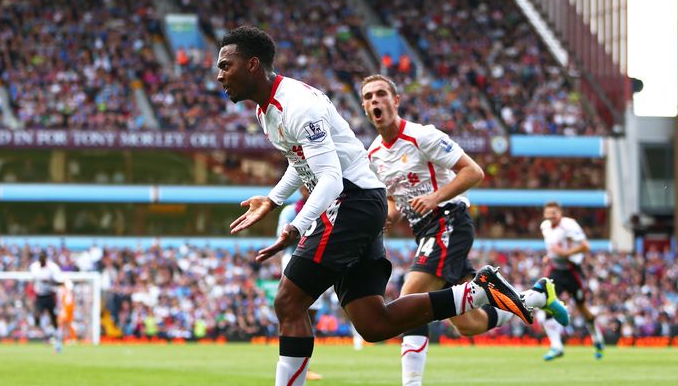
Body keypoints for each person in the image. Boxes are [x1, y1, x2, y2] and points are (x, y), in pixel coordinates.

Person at [217, 26, 532, 386]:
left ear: (253, 64)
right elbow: (300, 161)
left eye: (226, 65)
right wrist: (273, 200)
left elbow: (331, 179)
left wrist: (295, 227)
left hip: (350, 201)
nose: (220, 74)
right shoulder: (267, 111)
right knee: (373, 323)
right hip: (358, 204)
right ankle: (479, 291)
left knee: (289, 301)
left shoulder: (298, 105)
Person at [361, 74, 570, 385]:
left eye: (381, 94)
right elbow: (393, 197)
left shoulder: (423, 136)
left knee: (410, 295)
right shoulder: (374, 154)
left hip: (449, 219)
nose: (375, 100)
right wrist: (388, 215)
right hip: (424, 231)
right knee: (469, 324)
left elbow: (473, 171)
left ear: (396, 101)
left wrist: (434, 197)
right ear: (365, 107)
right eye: (368, 97)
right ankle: (537, 297)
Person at [540, 201, 604, 360]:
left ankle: (597, 338)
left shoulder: (569, 225)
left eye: (553, 213)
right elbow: (553, 247)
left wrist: (565, 253)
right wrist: (550, 256)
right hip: (556, 270)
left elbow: (585, 246)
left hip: (572, 270)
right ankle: (556, 346)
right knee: (546, 303)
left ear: (559, 213)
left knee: (582, 308)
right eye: (548, 214)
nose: (550, 217)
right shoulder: (545, 227)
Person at [276, 186, 323, 381]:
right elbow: (281, 238)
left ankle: (302, 362)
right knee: (292, 307)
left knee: (311, 311)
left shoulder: (325, 206)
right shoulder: (291, 211)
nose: (307, 189)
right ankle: (291, 358)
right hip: (295, 258)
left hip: (319, 260)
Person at [29, 251, 64, 352]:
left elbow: (61, 282)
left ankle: (57, 340)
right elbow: (32, 280)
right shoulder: (34, 267)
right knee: (36, 315)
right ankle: (46, 334)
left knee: (53, 319)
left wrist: (49, 281)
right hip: (39, 296)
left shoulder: (53, 268)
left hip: (50, 295)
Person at [58, 279, 77, 343]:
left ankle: (72, 338)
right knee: (64, 325)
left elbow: (68, 304)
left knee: (68, 324)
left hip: (68, 311)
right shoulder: (65, 293)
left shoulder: (68, 294)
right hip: (66, 310)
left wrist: (64, 310)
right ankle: (66, 338)